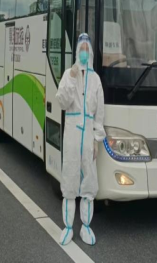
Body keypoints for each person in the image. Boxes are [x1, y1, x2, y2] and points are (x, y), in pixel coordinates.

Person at [55, 33, 106, 246]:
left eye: (87, 48)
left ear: (90, 52)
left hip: (88, 138)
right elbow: (62, 102)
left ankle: (86, 226)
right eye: (81, 48)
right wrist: (72, 77)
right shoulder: (69, 74)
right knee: (70, 178)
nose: (84, 52)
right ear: (77, 51)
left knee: (89, 182)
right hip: (72, 135)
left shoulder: (95, 79)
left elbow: (99, 113)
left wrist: (96, 140)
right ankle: (68, 227)